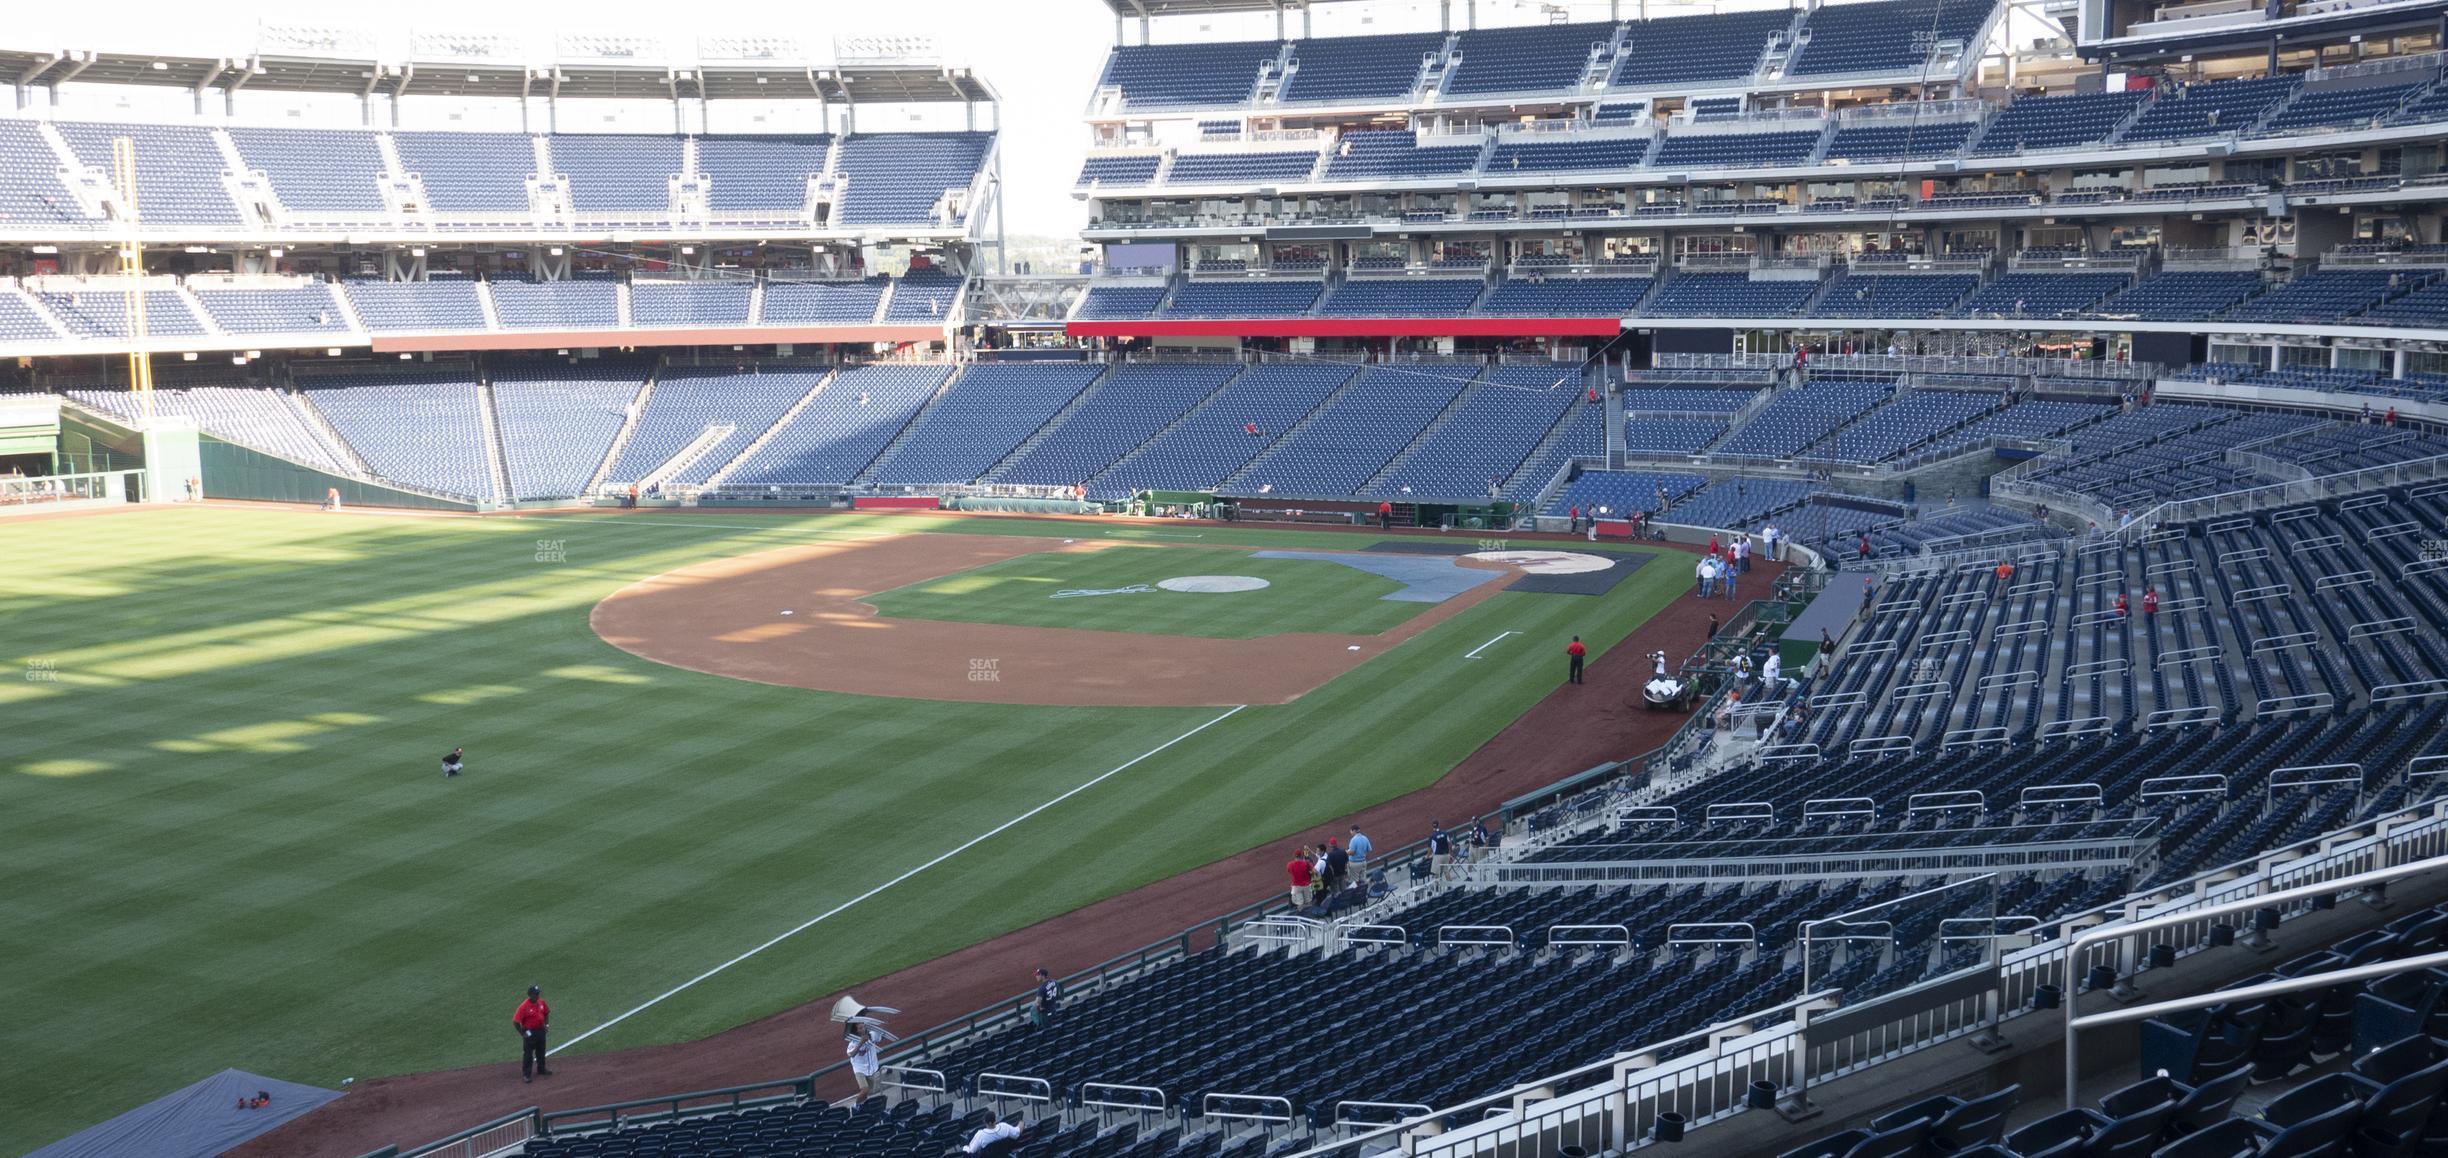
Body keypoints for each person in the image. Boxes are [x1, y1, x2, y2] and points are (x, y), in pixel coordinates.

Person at [514, 985, 551, 1083]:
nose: (538, 995)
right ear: (530, 995)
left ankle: (541, 1069)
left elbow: (546, 1013)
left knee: (541, 1051)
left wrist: (546, 1025)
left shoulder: (541, 1002)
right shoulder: (523, 1007)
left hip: (540, 1030)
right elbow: (516, 1022)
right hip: (530, 1032)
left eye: (538, 993)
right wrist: (522, 1033)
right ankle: (526, 1075)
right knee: (528, 1054)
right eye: (536, 994)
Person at [846, 1021, 881, 1095]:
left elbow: (879, 1038)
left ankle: (863, 1105)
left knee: (869, 1093)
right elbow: (851, 1054)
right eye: (860, 1028)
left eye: (864, 1027)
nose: (863, 1029)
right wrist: (861, 1042)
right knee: (865, 1090)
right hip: (859, 1069)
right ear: (856, 1031)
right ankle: (856, 1106)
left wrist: (876, 1032)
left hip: (871, 1068)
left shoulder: (872, 1035)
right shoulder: (853, 1042)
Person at [964, 1117, 1029, 1155]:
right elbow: (1017, 1133)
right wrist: (1021, 1122)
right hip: (1004, 1154)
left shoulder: (980, 1134)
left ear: (985, 1122)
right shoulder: (1004, 1126)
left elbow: (971, 1151)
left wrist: (965, 1148)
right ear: (995, 1120)